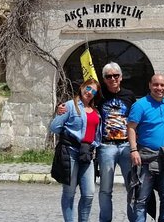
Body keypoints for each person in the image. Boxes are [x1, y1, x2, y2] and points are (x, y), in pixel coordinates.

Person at [57, 62, 137, 221]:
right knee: (105, 189)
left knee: (133, 188)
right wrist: (62, 108)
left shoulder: (129, 95)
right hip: (106, 147)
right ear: (104, 79)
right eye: (109, 76)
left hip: (127, 146)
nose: (113, 79)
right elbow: (82, 103)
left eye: (116, 75)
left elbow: (135, 120)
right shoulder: (99, 96)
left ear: (121, 77)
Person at [50, 79, 103, 222]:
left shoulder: (96, 111)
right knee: (69, 193)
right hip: (71, 152)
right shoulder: (70, 106)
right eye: (87, 88)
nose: (89, 92)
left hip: (88, 154)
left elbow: (96, 133)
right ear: (82, 87)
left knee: (89, 194)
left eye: (93, 91)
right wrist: (60, 116)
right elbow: (54, 127)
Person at [127, 73, 164, 222]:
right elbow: (131, 128)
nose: (159, 88)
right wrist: (133, 150)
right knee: (141, 198)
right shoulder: (140, 105)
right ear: (150, 85)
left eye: (162, 85)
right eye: (156, 84)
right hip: (145, 157)